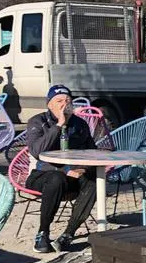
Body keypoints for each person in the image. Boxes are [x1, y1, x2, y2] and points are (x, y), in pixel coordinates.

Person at [25, 84, 97, 253]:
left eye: (67, 100)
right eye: (59, 101)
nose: (64, 104)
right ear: (49, 104)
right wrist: (58, 125)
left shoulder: (79, 124)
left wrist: (83, 169)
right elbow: (37, 152)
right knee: (56, 179)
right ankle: (43, 233)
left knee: (94, 181)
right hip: (42, 175)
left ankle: (68, 234)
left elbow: (91, 151)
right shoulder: (37, 121)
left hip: (73, 176)